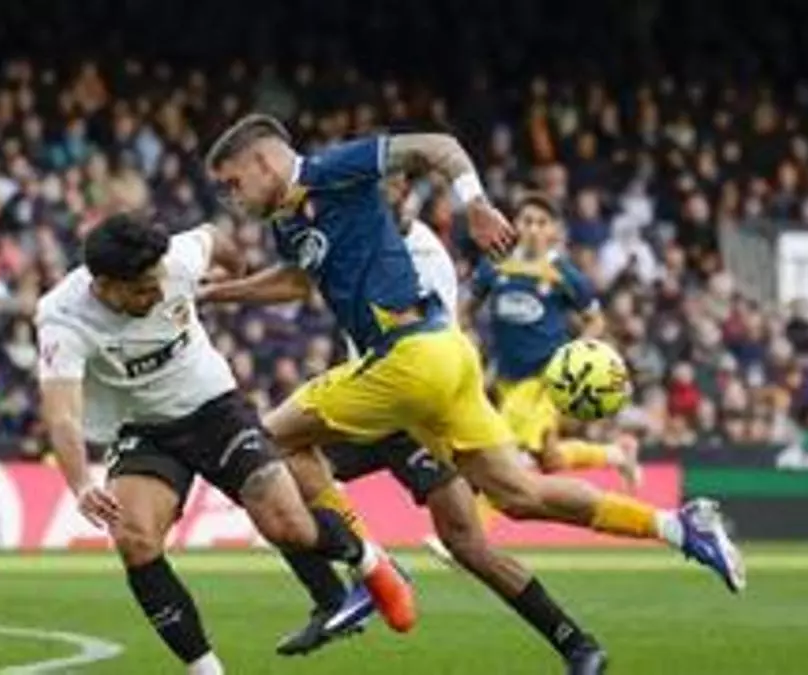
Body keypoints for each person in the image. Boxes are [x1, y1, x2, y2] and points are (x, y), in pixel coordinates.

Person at [201, 115, 745, 610]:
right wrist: (214, 294)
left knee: (263, 442)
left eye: (233, 182)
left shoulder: (332, 169)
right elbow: (298, 282)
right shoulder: (287, 224)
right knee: (519, 495)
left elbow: (438, 145)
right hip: (442, 356)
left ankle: (372, 569)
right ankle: (678, 527)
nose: (231, 197)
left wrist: (476, 204)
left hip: (406, 357)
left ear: (263, 161)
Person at [207, 174, 609, 673]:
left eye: (392, 188)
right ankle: (352, 585)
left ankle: (575, 642)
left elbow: (432, 336)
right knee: (270, 469)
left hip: (415, 410)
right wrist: (219, 292)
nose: (380, 198)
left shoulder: (421, 251)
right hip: (368, 402)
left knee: (469, 543)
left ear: (403, 198)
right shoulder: (356, 236)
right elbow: (297, 279)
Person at [35, 213, 414, 675]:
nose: (158, 294)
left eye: (159, 282)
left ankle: (370, 562)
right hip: (141, 429)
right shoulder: (63, 317)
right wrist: (80, 483)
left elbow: (215, 238)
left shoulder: (175, 260)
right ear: (104, 285)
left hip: (214, 408)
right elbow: (62, 413)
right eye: (142, 291)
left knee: (287, 526)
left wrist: (234, 270)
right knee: (134, 540)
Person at [466, 193, 641, 489]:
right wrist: (468, 337)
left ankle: (468, 520)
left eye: (541, 222)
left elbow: (596, 321)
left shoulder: (565, 274)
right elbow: (465, 309)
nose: (533, 229)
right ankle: (617, 454)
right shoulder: (494, 265)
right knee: (550, 460)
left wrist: (572, 358)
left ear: (553, 231)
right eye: (527, 221)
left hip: (544, 379)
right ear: (515, 225)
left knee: (507, 456)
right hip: (506, 375)